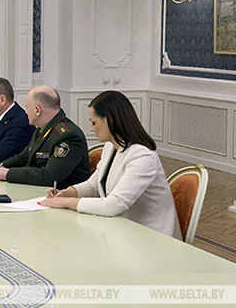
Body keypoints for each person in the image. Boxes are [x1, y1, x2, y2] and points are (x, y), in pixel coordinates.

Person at [40, 91, 182, 238]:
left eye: (94, 123)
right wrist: (68, 192)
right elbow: (93, 186)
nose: (91, 129)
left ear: (110, 121)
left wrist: (66, 202)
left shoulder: (142, 156)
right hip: (123, 230)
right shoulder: (111, 147)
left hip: (152, 237)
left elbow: (115, 204)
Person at [0, 85, 90, 188]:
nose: (26, 112)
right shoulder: (42, 129)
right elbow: (23, 157)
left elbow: (49, 176)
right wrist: (0, 167)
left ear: (37, 110)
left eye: (28, 108)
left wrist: (8, 174)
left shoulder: (68, 136)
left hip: (62, 195)